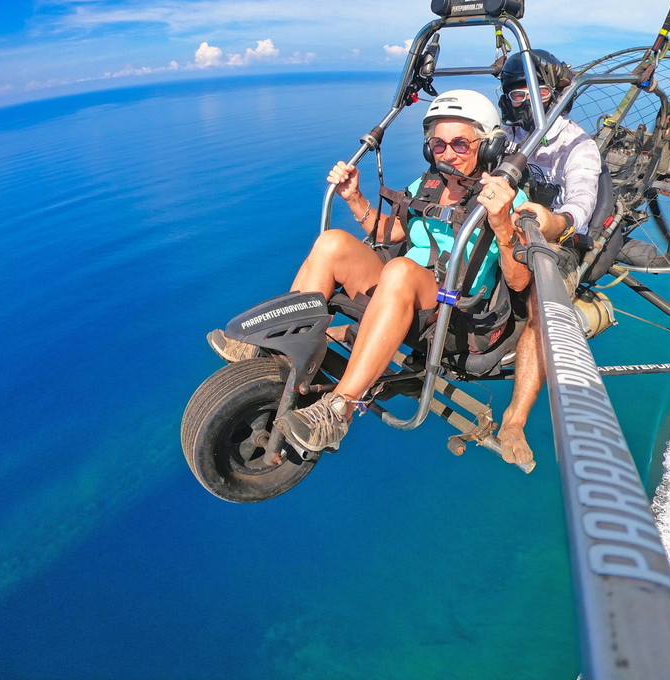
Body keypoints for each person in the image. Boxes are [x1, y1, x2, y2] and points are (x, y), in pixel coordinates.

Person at [209, 90, 531, 455]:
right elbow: (389, 233)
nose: (448, 153)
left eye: (460, 143)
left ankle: (339, 409)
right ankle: (285, 348)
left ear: (488, 147)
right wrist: (354, 197)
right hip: (402, 291)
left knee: (399, 269)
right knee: (333, 242)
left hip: (453, 312)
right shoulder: (427, 185)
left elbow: (519, 282)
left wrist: (503, 224)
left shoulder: (509, 200)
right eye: (438, 145)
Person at [495, 50, 602, 466]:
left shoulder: (578, 146)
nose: (530, 104)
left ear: (557, 96)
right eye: (520, 95)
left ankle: (514, 420)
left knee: (545, 309)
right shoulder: (506, 135)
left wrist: (552, 221)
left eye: (539, 94)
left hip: (557, 241)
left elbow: (580, 206)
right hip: (507, 226)